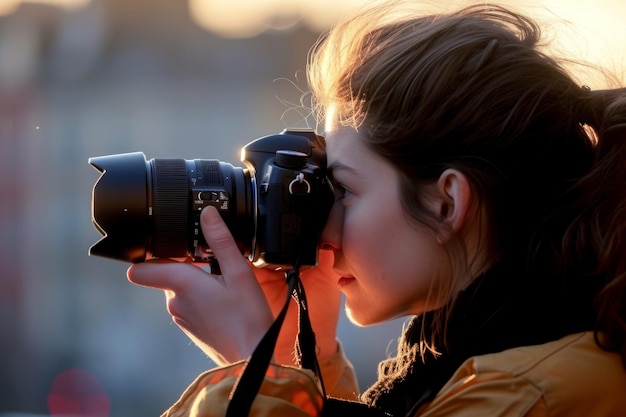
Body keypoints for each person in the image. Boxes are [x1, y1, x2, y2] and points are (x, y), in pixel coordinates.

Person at [127, 2, 626, 416]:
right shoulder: (498, 358)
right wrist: (301, 360)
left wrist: (252, 368)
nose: (323, 230)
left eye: (341, 191)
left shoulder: (533, 395)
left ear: (447, 202)